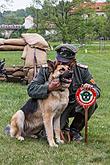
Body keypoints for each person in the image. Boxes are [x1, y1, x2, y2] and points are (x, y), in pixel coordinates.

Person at [27, 44, 101, 141]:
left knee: (92, 103)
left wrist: (90, 89)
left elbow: (97, 90)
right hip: (53, 107)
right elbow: (31, 89)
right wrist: (49, 88)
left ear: (73, 61)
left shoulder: (82, 71)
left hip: (72, 106)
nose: (62, 63)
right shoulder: (46, 69)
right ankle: (55, 128)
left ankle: (74, 131)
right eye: (60, 60)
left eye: (66, 62)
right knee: (47, 135)